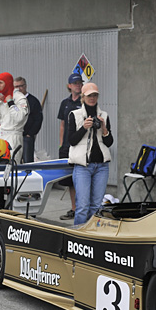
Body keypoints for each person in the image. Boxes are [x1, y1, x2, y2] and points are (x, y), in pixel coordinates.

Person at [66, 82, 113, 225]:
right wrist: (84, 128)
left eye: (95, 95)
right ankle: (78, 237)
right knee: (82, 206)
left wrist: (104, 129)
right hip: (82, 166)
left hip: (102, 166)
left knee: (97, 206)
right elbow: (72, 141)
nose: (92, 98)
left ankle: (93, 236)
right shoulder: (74, 115)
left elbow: (109, 142)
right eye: (89, 95)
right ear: (83, 97)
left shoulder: (103, 115)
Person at [57, 72, 84, 219]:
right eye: (75, 83)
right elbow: (62, 124)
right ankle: (74, 208)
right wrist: (61, 144)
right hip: (67, 147)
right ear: (69, 86)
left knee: (81, 178)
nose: (78, 85)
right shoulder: (65, 103)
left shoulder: (85, 102)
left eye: (80, 83)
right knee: (70, 180)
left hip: (80, 146)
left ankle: (82, 208)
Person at [0, 72, 28, 159]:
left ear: (8, 83)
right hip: (1, 136)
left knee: (12, 165)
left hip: (14, 136)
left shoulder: (19, 98)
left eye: (1, 82)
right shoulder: (2, 99)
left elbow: (19, 117)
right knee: (0, 164)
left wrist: (11, 103)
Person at [14, 76, 42, 163]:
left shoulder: (33, 101)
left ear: (25, 86)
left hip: (26, 136)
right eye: (16, 87)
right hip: (14, 135)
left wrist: (30, 134)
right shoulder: (12, 100)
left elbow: (38, 119)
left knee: (27, 161)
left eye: (20, 86)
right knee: (14, 159)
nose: (18, 89)